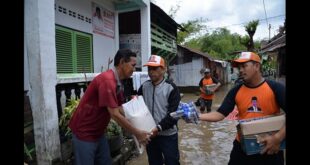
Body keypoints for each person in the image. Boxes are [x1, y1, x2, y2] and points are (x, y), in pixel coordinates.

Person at [199, 52, 286, 165]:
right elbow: (220, 114)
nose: (240, 70)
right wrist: (197, 116)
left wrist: (278, 138)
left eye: (244, 66)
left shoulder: (275, 88)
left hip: (270, 147)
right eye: (239, 67)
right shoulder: (236, 90)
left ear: (257, 66)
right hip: (242, 146)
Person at [69, 49, 151, 165]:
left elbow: (120, 108)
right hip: (85, 133)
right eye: (133, 65)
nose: (134, 69)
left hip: (98, 133)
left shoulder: (118, 82)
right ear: (122, 62)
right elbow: (115, 114)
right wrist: (137, 133)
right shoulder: (107, 81)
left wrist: (141, 119)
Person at [137, 55, 181, 165]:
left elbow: (174, 114)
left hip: (168, 135)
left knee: (172, 162)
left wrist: (158, 128)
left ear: (163, 69)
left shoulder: (171, 88)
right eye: (149, 69)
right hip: (150, 135)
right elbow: (138, 107)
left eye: (155, 68)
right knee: (154, 162)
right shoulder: (144, 87)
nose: (151, 72)